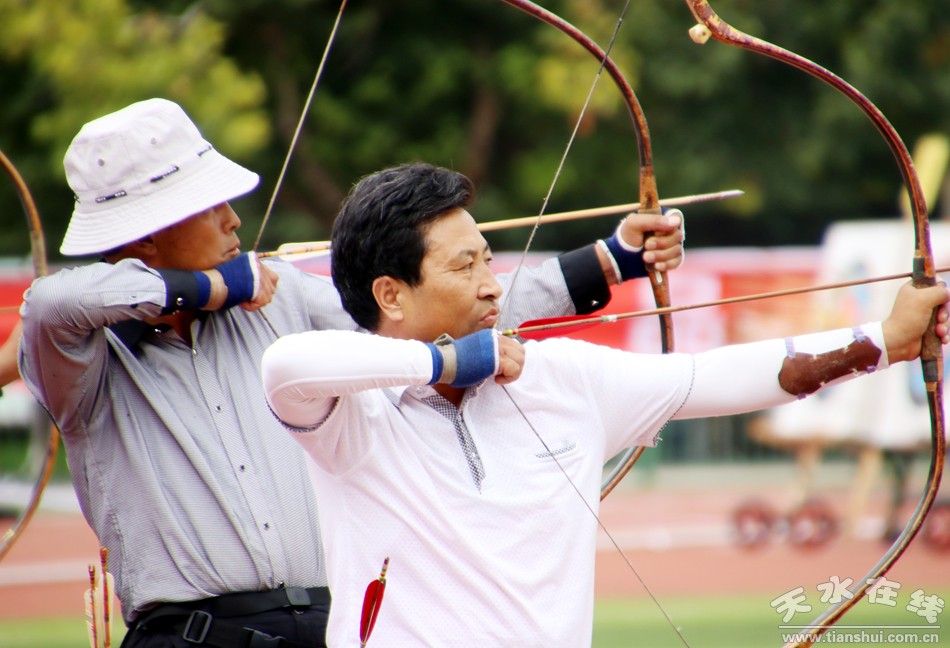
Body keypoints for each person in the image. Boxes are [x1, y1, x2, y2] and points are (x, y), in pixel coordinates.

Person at [17, 99, 684, 647]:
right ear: (147, 235)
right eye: (209, 207)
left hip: (326, 624)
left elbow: (431, 309)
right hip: (189, 637)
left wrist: (610, 259)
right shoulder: (83, 360)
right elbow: (49, 302)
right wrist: (210, 286)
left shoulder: (279, 301)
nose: (233, 220)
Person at [260, 162, 950, 647]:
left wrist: (884, 341)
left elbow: (715, 376)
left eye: (488, 260)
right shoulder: (354, 416)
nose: (493, 286)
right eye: (463, 266)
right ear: (390, 294)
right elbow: (286, 366)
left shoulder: (561, 377)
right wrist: (448, 362)